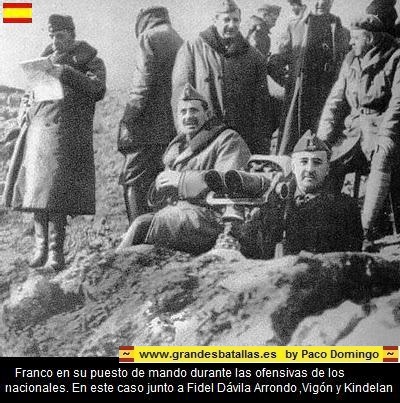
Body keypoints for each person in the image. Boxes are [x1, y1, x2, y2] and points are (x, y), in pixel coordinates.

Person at [2, 14, 106, 271]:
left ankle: (55, 252)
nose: (55, 41)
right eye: (51, 36)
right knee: (37, 191)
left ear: (71, 34)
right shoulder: (43, 60)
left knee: (56, 193)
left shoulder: (89, 59)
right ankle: (40, 248)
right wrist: (27, 104)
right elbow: (33, 91)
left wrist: (66, 73)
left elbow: (98, 90)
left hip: (67, 135)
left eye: (60, 35)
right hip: (39, 132)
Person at [116, 83, 251, 254]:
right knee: (138, 231)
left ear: (207, 114)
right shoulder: (177, 147)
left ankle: (112, 267)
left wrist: (181, 181)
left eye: (194, 110)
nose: (188, 117)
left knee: (141, 226)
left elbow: (229, 183)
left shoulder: (227, 139)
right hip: (180, 215)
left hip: (213, 218)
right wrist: (159, 186)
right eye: (183, 112)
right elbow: (163, 199)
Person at [317, 14, 400, 250]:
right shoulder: (351, 59)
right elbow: (335, 99)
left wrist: (386, 137)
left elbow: (397, 104)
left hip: (383, 126)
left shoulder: (396, 57)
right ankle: (324, 227)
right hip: (353, 130)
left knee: (382, 157)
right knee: (327, 161)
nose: (351, 43)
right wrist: (322, 136)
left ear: (370, 37)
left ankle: (364, 230)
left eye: (355, 38)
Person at [241, 131, 363, 258]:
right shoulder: (274, 202)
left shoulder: (345, 208)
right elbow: (252, 252)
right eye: (304, 162)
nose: (309, 169)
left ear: (327, 169)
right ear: (293, 167)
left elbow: (350, 261)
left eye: (317, 162)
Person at [171, 0, 272, 155]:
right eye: (226, 20)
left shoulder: (253, 57)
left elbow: (261, 106)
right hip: (202, 140)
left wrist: (260, 147)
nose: (231, 25)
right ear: (215, 20)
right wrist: (185, 136)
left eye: (236, 20)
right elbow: (180, 96)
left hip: (240, 141)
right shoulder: (192, 49)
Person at [118, 6, 183, 225]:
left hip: (146, 125)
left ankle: (136, 234)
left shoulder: (148, 37)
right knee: (160, 177)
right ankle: (159, 229)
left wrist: (128, 118)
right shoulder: (178, 39)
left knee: (133, 178)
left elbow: (141, 84)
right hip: (170, 124)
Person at [269, 0, 349, 155]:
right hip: (299, 100)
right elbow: (274, 62)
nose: (321, 3)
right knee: (291, 146)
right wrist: (290, 82)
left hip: (327, 97)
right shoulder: (294, 27)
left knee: (322, 147)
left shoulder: (341, 31)